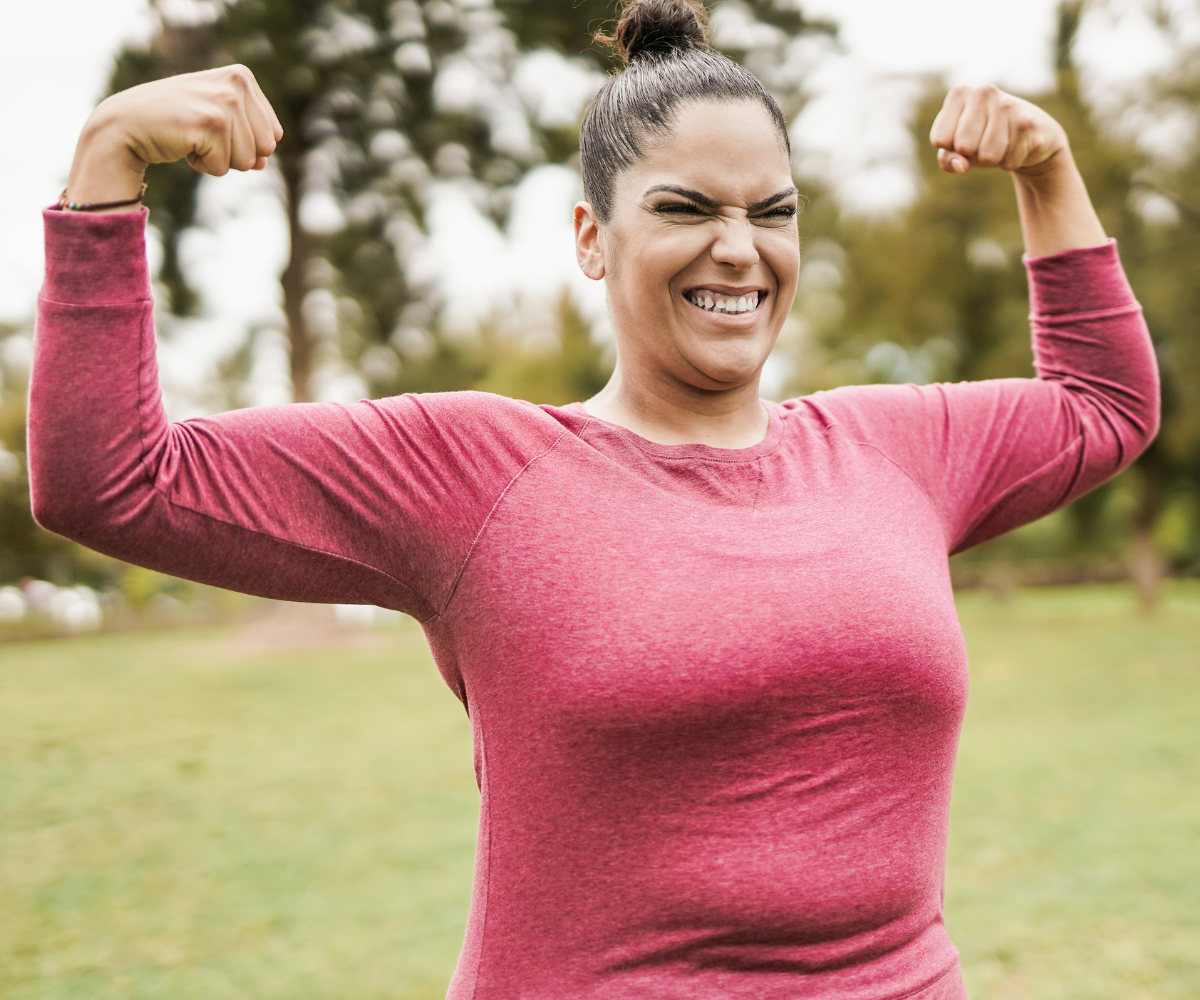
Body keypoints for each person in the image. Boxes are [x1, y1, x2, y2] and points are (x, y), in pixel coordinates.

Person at [29, 0, 1157, 996]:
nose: (739, 249)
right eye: (685, 209)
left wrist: (1048, 170)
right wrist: (106, 165)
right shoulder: (472, 472)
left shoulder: (894, 448)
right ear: (589, 238)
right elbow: (112, 480)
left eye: (773, 211)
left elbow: (1107, 404)